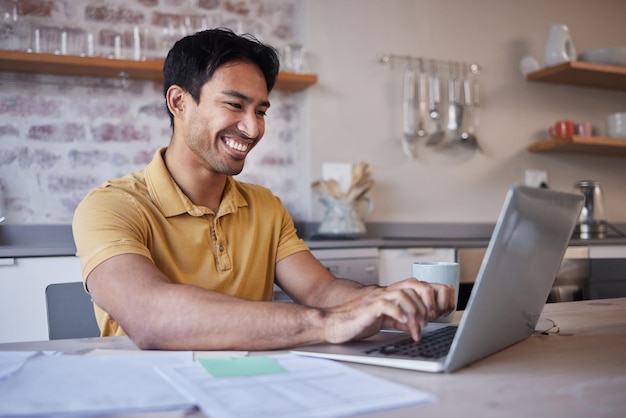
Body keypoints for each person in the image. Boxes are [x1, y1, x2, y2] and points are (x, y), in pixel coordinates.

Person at [72, 28, 454, 351]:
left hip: (252, 387)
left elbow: (321, 290)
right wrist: (325, 324)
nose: (252, 128)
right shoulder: (110, 207)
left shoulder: (264, 206)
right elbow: (150, 316)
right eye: (234, 105)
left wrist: (386, 300)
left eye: (260, 111)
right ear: (179, 102)